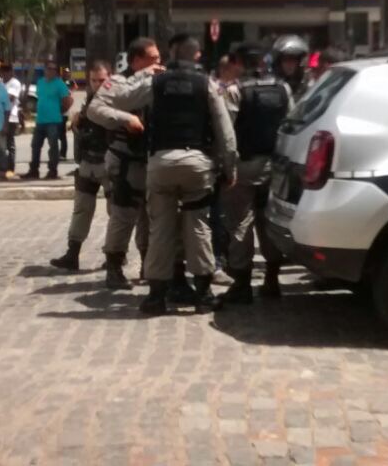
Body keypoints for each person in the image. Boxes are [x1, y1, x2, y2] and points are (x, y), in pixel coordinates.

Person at [91, 35, 237, 316]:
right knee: (198, 227)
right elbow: (225, 131)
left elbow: (110, 99)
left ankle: (156, 297)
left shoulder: (155, 83)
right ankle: (204, 295)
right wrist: (229, 167)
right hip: (196, 163)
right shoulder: (205, 83)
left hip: (159, 165)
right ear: (196, 58)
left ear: (170, 58)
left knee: (160, 229)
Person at [222, 42, 292, 303]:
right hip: (274, 166)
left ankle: (241, 284)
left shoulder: (235, 91)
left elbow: (227, 134)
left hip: (244, 166)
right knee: (269, 221)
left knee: (240, 223)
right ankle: (271, 280)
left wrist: (226, 169)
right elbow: (290, 124)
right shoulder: (282, 89)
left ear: (239, 63)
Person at [87, 38, 158, 290]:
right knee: (123, 215)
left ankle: (149, 266)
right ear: (136, 60)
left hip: (151, 160)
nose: (157, 62)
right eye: (152, 58)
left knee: (151, 218)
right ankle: (114, 267)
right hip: (125, 159)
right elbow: (95, 110)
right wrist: (125, 118)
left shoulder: (157, 80)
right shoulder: (117, 83)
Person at [49, 61, 113, 271]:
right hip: (88, 162)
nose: (97, 84)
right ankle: (72, 253)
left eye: (102, 80)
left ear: (109, 78)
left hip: (110, 163)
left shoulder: (117, 101)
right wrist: (78, 123)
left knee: (116, 213)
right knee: (82, 209)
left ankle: (115, 257)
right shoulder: (87, 102)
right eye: (94, 80)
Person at [24, 61, 72, 180]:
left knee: (53, 147)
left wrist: (60, 111)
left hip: (54, 120)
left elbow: (68, 100)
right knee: (35, 145)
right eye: (49, 69)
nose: (52, 71)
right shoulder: (40, 82)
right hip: (40, 120)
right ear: (45, 70)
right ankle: (34, 170)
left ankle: (52, 171)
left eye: (54, 69)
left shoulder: (59, 84)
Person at [0, 64, 22, 179]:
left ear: (11, 71)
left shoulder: (14, 83)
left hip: (11, 117)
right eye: (3, 71)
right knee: (0, 145)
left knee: (9, 145)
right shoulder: (0, 83)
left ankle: (10, 170)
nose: (5, 73)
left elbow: (10, 98)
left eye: (7, 71)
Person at [271, 34, 310, 101]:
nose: (289, 64)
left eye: (293, 60)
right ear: (279, 63)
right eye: (285, 60)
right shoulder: (272, 87)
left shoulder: (308, 86)